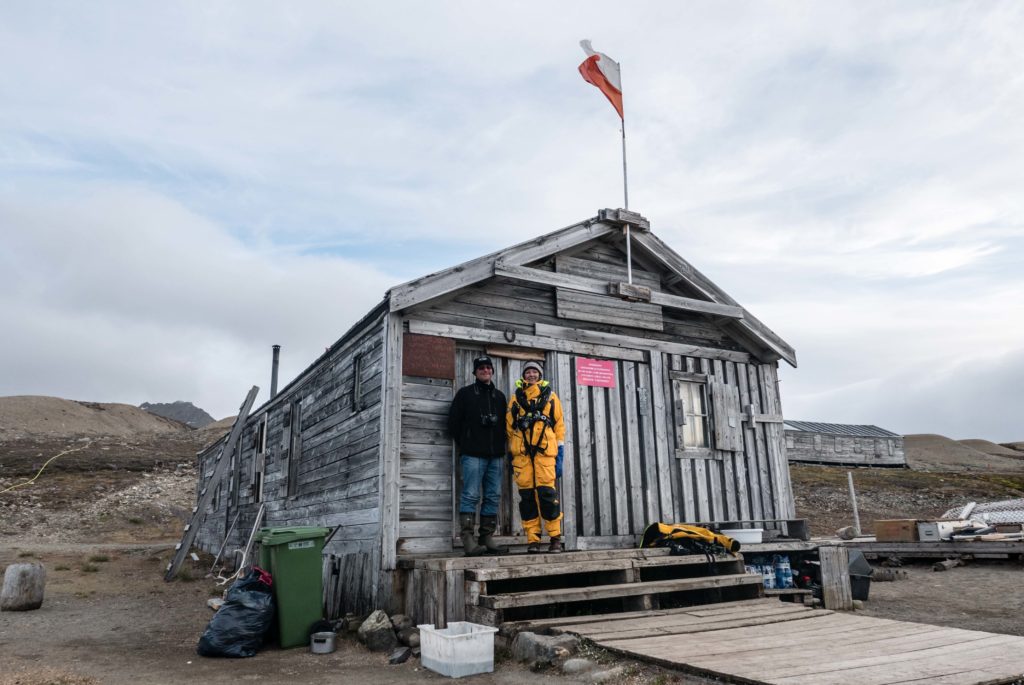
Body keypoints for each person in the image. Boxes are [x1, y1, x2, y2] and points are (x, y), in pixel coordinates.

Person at [448, 355, 509, 556]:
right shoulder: (465, 394)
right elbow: (453, 423)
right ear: (475, 372)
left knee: (493, 496)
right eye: (481, 368)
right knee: (471, 495)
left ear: (492, 371)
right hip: (473, 454)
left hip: (496, 456)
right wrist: (466, 442)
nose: (485, 371)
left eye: (488, 368)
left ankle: (486, 538)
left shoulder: (499, 397)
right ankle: (468, 541)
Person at [506, 360, 566, 553]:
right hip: (522, 457)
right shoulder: (515, 399)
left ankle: (555, 538)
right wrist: (513, 451)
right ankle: (533, 540)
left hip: (545, 455)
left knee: (547, 496)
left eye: (534, 372)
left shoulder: (551, 397)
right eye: (528, 372)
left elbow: (559, 426)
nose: (531, 375)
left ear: (540, 375)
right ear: (524, 375)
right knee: (527, 499)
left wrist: (560, 455)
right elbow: (509, 427)